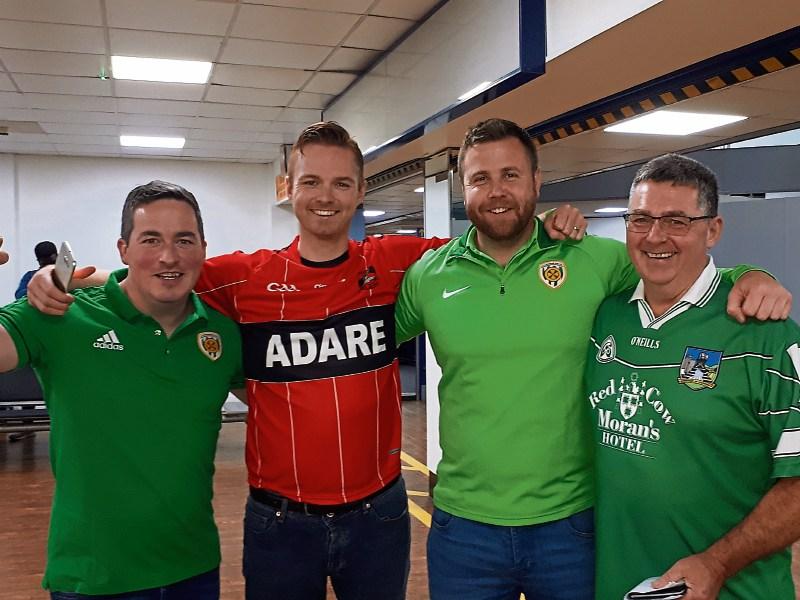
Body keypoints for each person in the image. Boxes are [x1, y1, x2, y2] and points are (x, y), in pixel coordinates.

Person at [25, 122, 588, 600]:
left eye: (342, 182)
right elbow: (159, 275)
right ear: (288, 189)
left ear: (361, 191)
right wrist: (60, 279)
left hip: (379, 517)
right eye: (312, 181)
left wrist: (551, 228)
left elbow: (492, 244)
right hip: (278, 522)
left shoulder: (400, 264)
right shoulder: (242, 277)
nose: (326, 195)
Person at [393, 119, 791, 600]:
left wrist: (750, 275)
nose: (496, 191)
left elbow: (678, 269)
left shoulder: (595, 261)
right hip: (465, 529)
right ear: (462, 187)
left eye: (511, 175)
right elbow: (365, 349)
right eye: (480, 178)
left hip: (571, 528)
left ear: (538, 181)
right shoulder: (428, 277)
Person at [0, 181, 243, 599]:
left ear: (203, 247)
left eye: (184, 240)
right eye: (151, 239)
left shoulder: (223, 334)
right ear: (123, 248)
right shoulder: (60, 314)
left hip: (196, 570)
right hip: (94, 579)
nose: (169, 256)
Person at [585, 154, 800, 600]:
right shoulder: (606, 317)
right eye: (640, 219)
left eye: (677, 221)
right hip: (617, 586)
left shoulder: (768, 335)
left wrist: (717, 562)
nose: (655, 237)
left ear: (713, 230)